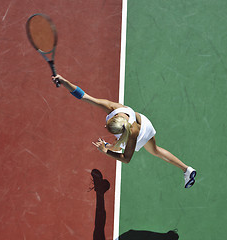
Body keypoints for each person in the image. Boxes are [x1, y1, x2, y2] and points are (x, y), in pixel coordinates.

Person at [53, 75, 197, 188]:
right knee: (156, 150)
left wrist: (106, 151)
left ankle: (186, 169)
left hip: (142, 131)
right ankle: (187, 170)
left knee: (153, 151)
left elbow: (126, 159)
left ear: (121, 133)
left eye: (108, 129)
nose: (104, 127)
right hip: (140, 123)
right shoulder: (113, 108)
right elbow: (84, 96)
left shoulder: (132, 135)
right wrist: (64, 82)